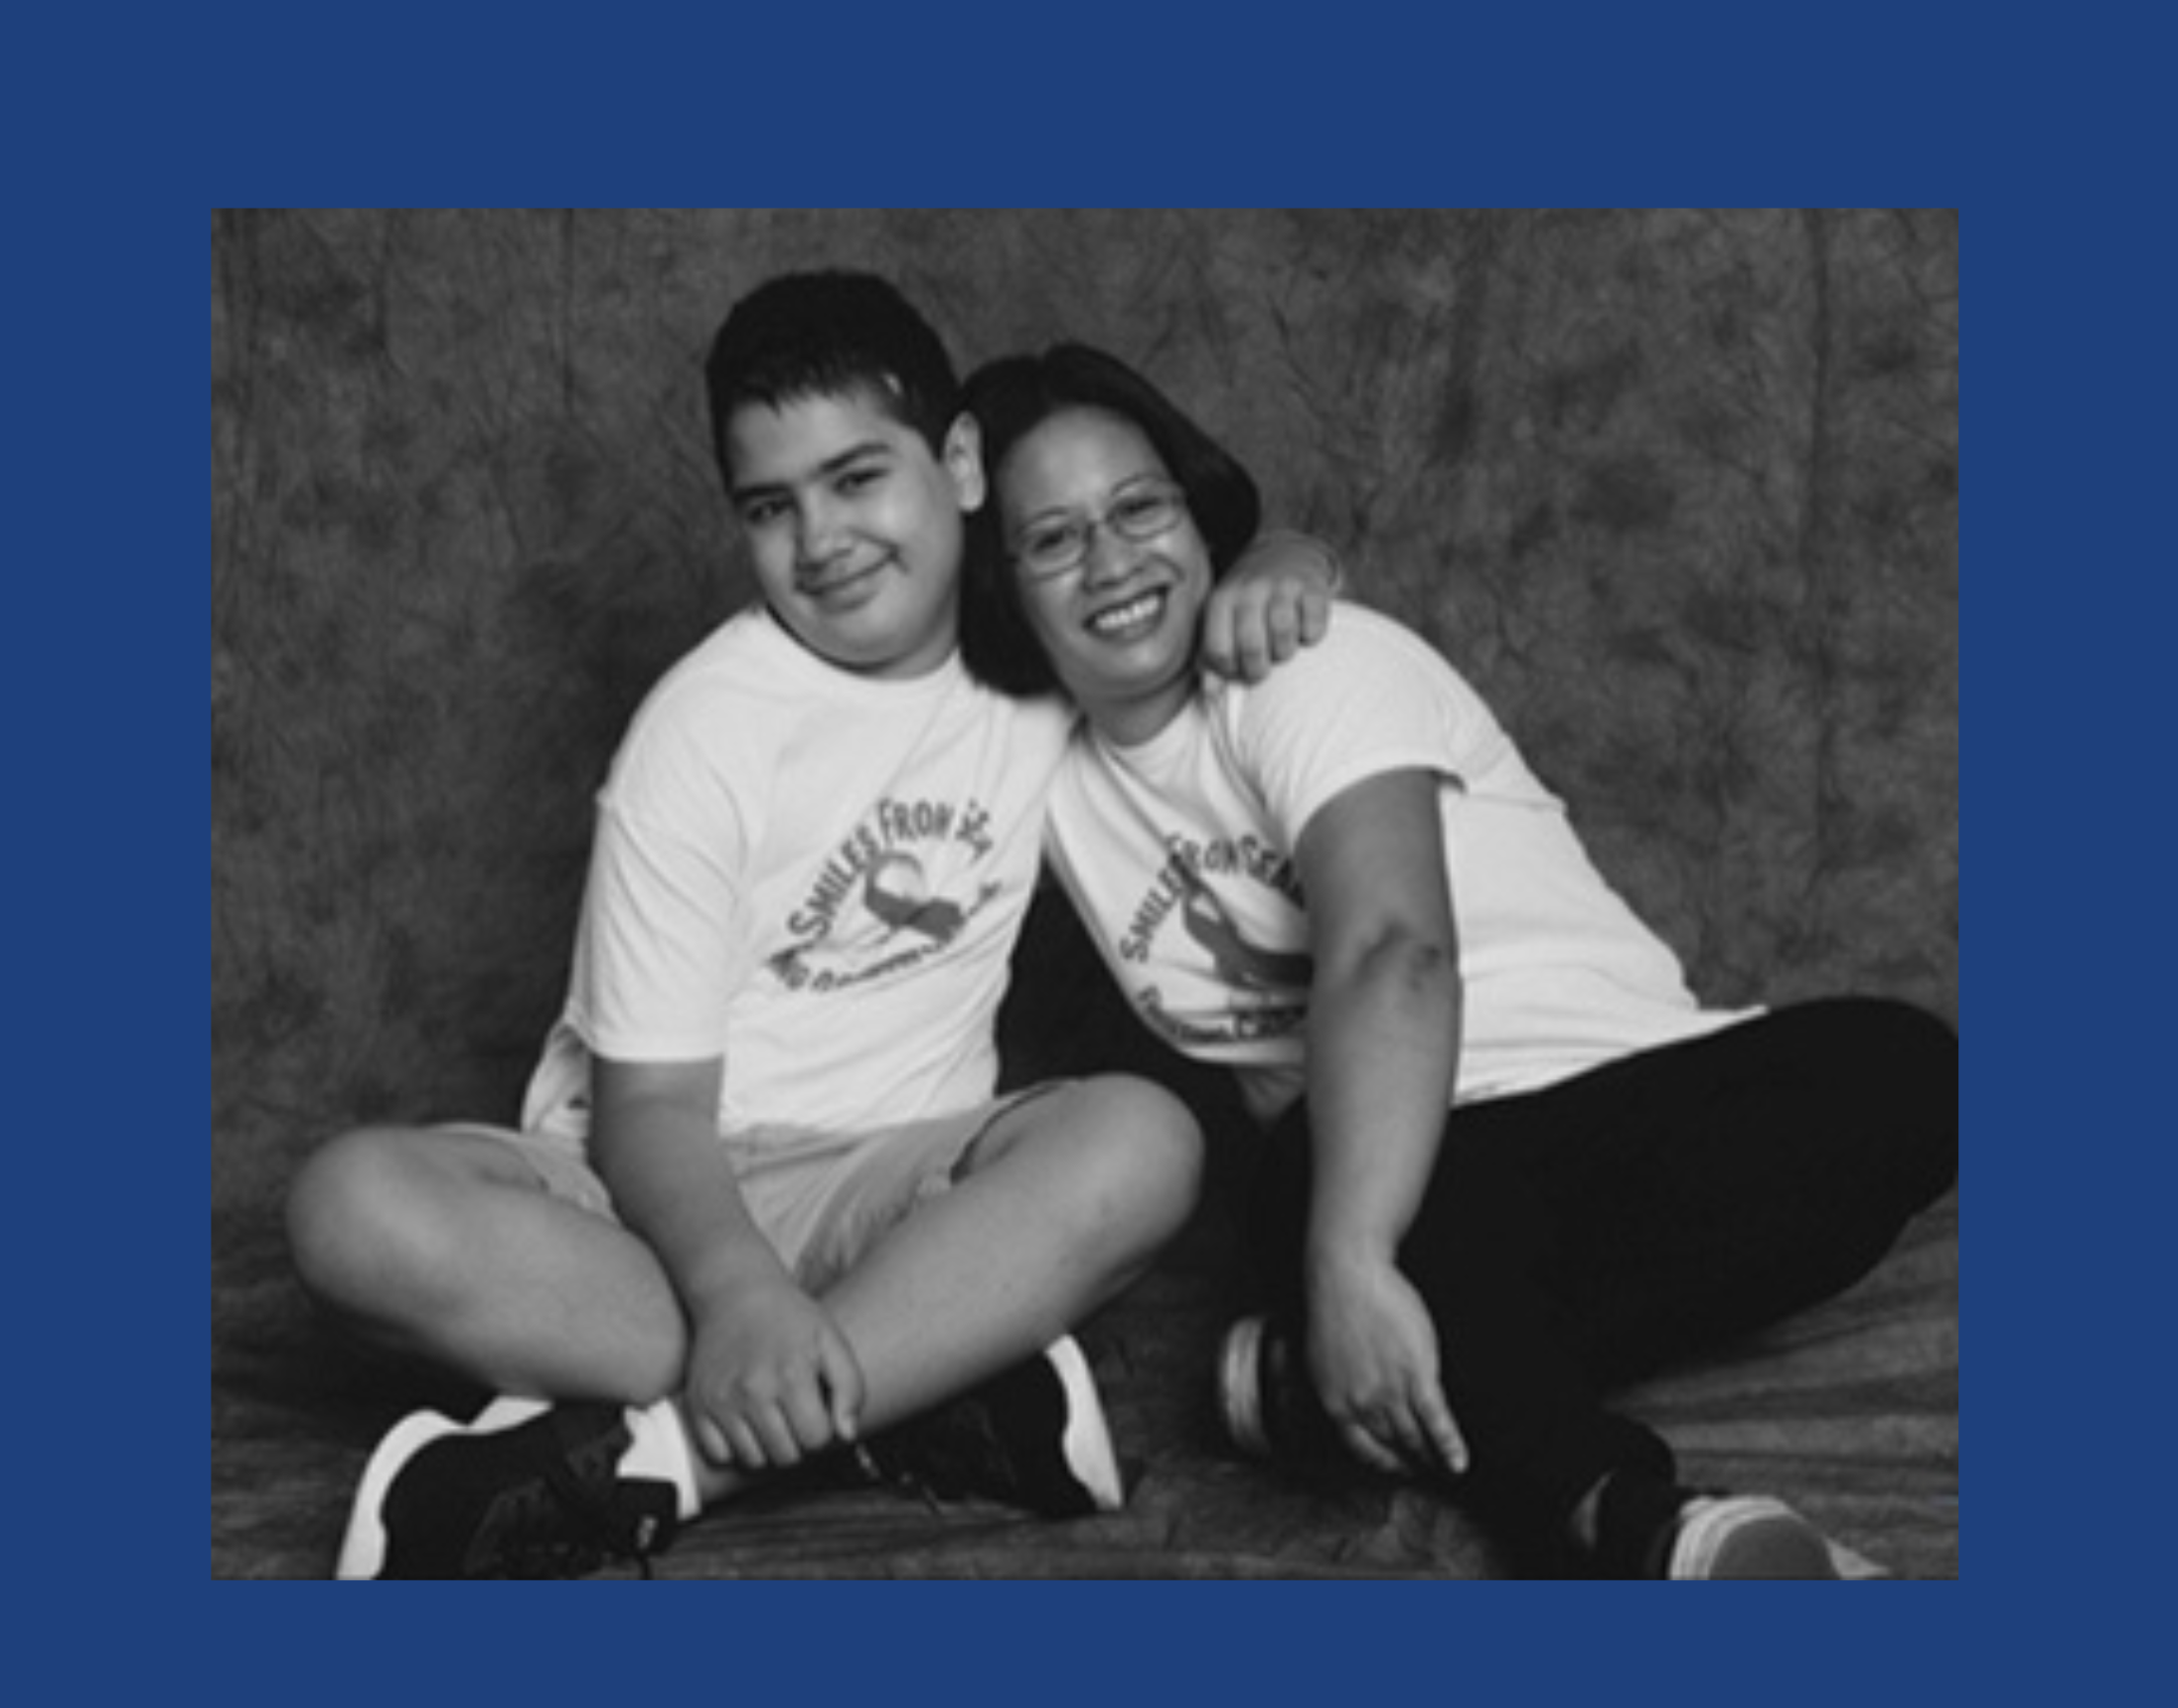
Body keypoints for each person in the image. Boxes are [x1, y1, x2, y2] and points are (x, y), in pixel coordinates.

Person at [283, 273, 1339, 1579]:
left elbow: (1163, 573)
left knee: (1144, 1141)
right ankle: (920, 1386)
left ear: (959, 462)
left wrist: (1284, 557)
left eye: (857, 479)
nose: (821, 539)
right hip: (638, 1199)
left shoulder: (1038, 650)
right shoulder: (704, 731)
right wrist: (737, 1300)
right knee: (351, 1209)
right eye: (770, 507)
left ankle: (678, 1452)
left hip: (893, 1188)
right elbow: (649, 1113)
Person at [957, 342, 1959, 1579]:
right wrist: (1349, 1238)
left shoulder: (1308, 665)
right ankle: (1644, 1525)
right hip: (1402, 1165)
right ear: (998, 584)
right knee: (1332, 1168)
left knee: (1904, 1069)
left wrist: (1345, 1270)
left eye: (1139, 508)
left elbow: (1393, 950)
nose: (1113, 562)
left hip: (1619, 1104)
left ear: (1193, 508)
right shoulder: (1024, 762)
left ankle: (1319, 1387)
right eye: (1051, 539)